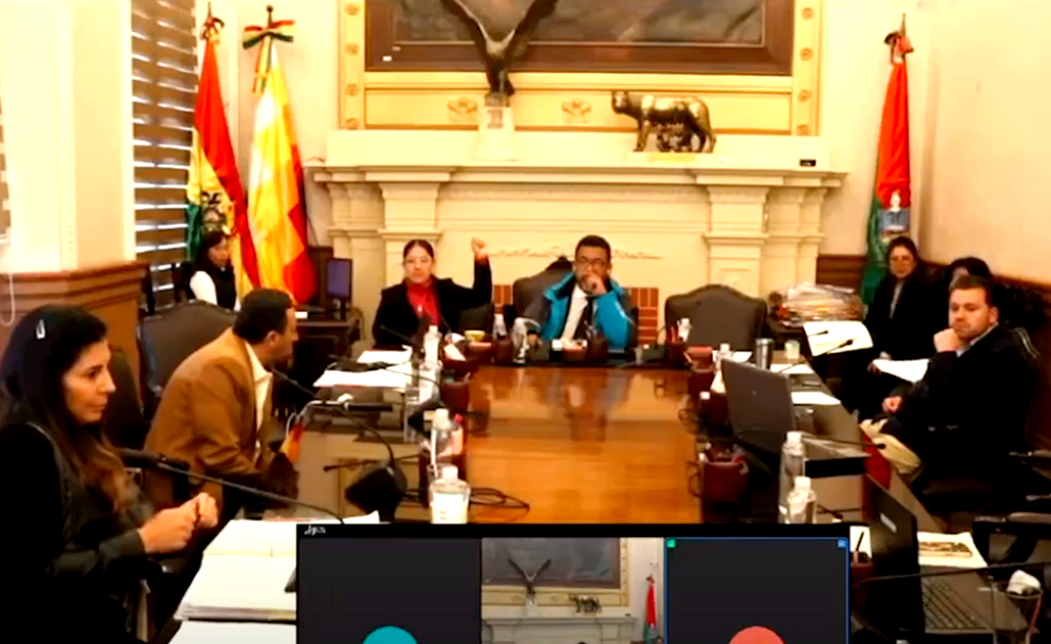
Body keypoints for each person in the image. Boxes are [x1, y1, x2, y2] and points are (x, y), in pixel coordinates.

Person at [0, 306, 218, 642]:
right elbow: (32, 582)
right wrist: (144, 542)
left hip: (108, 616)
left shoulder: (82, 434)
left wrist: (184, 518)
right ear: (47, 383)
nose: (110, 385)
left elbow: (124, 525)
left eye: (106, 369)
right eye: (92, 374)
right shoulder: (24, 449)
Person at [144, 288, 299, 522]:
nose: (297, 338)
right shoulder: (219, 367)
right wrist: (266, 486)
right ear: (272, 338)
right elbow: (220, 455)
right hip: (190, 489)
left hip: (229, 478)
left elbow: (254, 442)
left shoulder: (253, 360)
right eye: (293, 330)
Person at [881, 275, 1035, 472]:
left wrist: (945, 355)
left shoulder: (1002, 354)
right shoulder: (967, 341)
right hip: (916, 432)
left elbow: (952, 408)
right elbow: (933, 387)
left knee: (858, 464)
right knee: (852, 441)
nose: (959, 316)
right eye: (954, 308)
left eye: (970, 309)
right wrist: (906, 401)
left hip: (953, 449)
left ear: (992, 315)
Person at [372, 238, 493, 348]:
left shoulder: (447, 290)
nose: (417, 266)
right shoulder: (392, 296)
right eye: (411, 261)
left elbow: (481, 297)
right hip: (406, 360)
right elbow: (378, 333)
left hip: (445, 359)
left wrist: (481, 261)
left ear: (433, 264)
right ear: (404, 266)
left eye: (424, 261)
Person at [522, 235, 635, 350]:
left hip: (599, 359)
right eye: (583, 261)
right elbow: (526, 324)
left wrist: (604, 297)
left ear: (608, 268)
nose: (589, 269)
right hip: (557, 357)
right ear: (574, 265)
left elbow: (623, 341)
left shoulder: (619, 298)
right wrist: (531, 334)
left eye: (597, 262)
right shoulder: (554, 294)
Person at [865, 237, 941, 361]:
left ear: (915, 262)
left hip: (911, 353)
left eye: (905, 258)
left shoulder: (926, 288)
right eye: (894, 259)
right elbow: (874, 320)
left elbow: (919, 332)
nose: (900, 263)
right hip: (884, 349)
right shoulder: (885, 285)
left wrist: (887, 354)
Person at [188, 229, 238, 310]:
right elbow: (211, 312)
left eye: (226, 248)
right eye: (217, 249)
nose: (223, 253)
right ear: (206, 252)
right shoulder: (201, 277)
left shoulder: (228, 273)